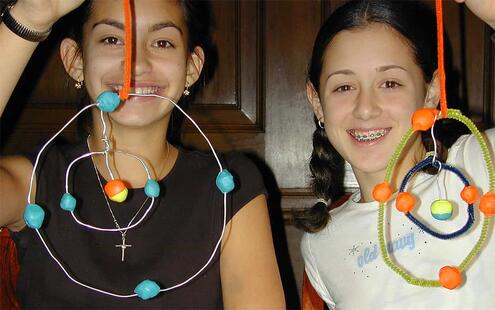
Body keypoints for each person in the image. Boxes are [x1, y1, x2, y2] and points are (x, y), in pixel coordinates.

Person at [0, 0, 285, 308]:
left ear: (192, 68)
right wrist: (31, 16)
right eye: (112, 39)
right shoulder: (34, 181)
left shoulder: (231, 186)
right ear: (75, 60)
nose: (136, 64)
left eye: (162, 42)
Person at [299, 0, 495, 309]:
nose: (365, 109)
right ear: (317, 101)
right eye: (344, 87)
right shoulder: (321, 244)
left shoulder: (482, 163)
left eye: (390, 83)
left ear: (431, 92)